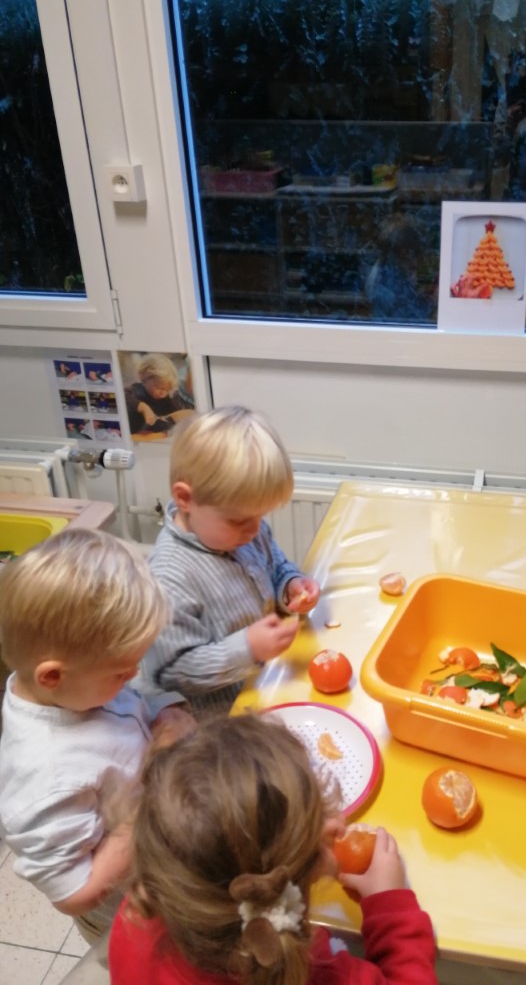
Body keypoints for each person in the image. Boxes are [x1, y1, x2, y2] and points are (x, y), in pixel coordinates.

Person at [108, 712, 438, 984]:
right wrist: (390, 905)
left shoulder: (139, 914)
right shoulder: (325, 976)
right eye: (319, 810)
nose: (337, 821)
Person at [0, 529, 195, 942]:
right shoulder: (46, 779)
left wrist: (164, 710)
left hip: (163, 856)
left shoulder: (73, 686)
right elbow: (76, 893)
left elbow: (124, 700)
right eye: (121, 672)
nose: (133, 676)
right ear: (52, 675)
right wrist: (152, 794)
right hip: (129, 912)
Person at [138, 405, 320, 716]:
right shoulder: (168, 578)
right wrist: (247, 648)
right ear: (185, 499)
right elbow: (170, 673)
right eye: (238, 520)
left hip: (269, 684)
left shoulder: (245, 531)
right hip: (225, 719)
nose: (255, 529)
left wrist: (291, 584)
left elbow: (275, 566)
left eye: (261, 516)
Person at [364, 215, 435, 324]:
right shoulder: (390, 280)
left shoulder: (389, 269)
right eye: (418, 254)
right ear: (405, 252)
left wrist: (424, 296)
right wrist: (433, 306)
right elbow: (410, 319)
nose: (419, 261)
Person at [123, 352, 196, 437]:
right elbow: (122, 397)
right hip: (133, 434)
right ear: (145, 378)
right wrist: (142, 406)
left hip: (151, 435)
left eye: (167, 390)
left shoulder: (165, 400)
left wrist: (172, 418)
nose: (163, 393)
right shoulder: (136, 390)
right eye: (159, 387)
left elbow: (170, 416)